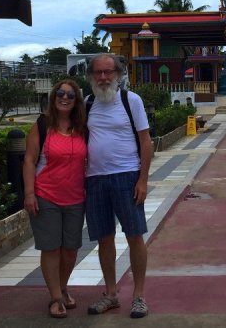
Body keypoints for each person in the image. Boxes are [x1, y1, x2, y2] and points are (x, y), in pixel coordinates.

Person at [84, 54, 154, 319]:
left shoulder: (130, 100)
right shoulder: (87, 103)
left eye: (108, 72)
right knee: (104, 238)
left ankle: (139, 296)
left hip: (126, 176)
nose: (103, 78)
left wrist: (143, 180)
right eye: (98, 73)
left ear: (119, 74)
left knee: (135, 236)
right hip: (95, 179)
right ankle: (111, 293)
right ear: (91, 76)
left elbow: (146, 141)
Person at [23, 79, 88, 319]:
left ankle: (62, 286)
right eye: (60, 93)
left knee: (70, 249)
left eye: (70, 95)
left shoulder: (82, 128)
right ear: (53, 97)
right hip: (46, 196)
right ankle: (55, 297)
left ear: (76, 100)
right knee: (51, 248)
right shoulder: (42, 125)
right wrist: (29, 194)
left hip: (75, 198)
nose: (64, 98)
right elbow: (29, 160)